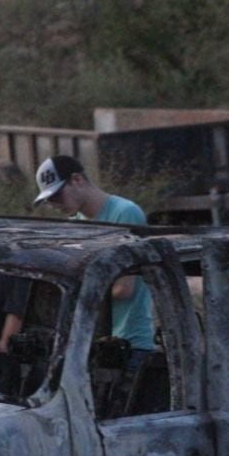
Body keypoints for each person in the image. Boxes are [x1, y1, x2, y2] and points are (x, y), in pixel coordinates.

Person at [33, 155, 154, 368]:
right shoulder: (76, 225)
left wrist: (73, 289)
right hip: (92, 340)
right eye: (49, 200)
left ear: (77, 180)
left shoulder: (125, 213)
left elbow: (123, 289)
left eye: (57, 196)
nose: (53, 204)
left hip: (127, 341)